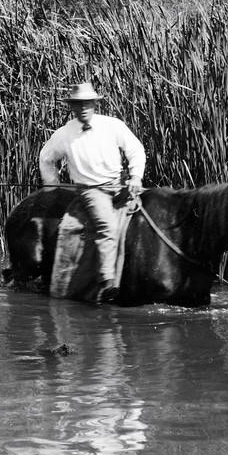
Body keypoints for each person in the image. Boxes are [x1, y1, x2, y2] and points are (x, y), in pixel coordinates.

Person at [38, 81, 146, 300]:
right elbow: (46, 158)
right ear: (72, 107)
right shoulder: (64, 133)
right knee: (107, 226)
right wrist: (52, 188)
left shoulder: (112, 125)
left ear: (95, 104)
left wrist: (135, 176)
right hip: (91, 191)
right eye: (78, 104)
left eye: (87, 103)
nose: (83, 108)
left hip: (120, 184)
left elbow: (135, 150)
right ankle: (107, 284)